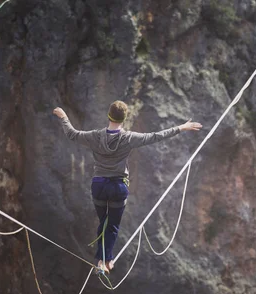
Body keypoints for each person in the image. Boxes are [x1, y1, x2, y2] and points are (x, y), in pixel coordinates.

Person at [53, 101, 202, 274]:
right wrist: (181, 127)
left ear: (108, 115)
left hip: (99, 185)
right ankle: (105, 261)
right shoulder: (129, 138)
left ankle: (103, 261)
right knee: (112, 226)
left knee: (104, 223)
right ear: (124, 119)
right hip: (118, 187)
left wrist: (63, 116)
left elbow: (72, 134)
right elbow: (156, 136)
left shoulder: (95, 136)